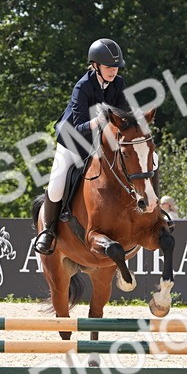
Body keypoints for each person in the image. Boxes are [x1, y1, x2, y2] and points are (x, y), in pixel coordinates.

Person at [33, 38, 131, 255]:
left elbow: (122, 114)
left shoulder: (119, 84)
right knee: (57, 184)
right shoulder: (83, 86)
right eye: (108, 67)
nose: (112, 71)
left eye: (115, 67)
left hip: (100, 142)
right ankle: (47, 231)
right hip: (72, 140)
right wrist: (98, 121)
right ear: (95, 65)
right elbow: (78, 125)